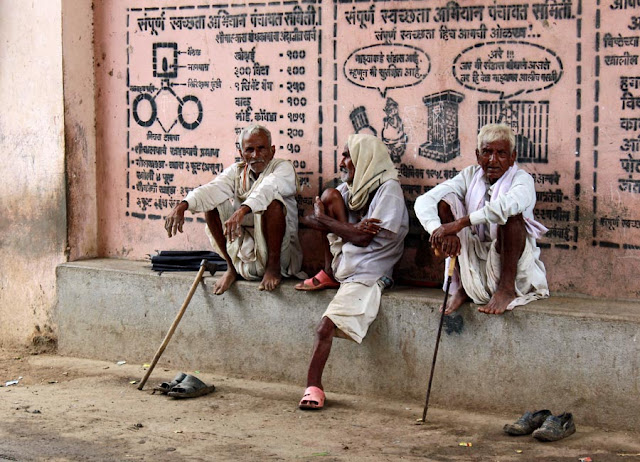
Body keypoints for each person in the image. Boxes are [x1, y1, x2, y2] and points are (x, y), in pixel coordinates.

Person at [296, 134, 408, 410]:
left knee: (325, 327)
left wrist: (328, 221)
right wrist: (343, 226)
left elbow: (363, 240)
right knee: (329, 195)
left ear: (366, 159)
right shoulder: (352, 188)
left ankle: (314, 387)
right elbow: (311, 219)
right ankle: (329, 272)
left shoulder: (388, 189)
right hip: (348, 262)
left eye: (349, 155)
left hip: (371, 271)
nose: (343, 161)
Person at [414, 123, 549, 315]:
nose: (493, 160)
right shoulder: (470, 175)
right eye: (487, 152)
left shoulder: (522, 179)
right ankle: (464, 287)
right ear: (478, 156)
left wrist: (459, 223)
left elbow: (507, 205)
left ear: (512, 157)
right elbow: (425, 200)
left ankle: (506, 289)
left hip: (509, 258)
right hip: (474, 256)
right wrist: (440, 230)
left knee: (510, 215)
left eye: (501, 153)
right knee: (446, 201)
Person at [164, 124, 304, 294]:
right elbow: (213, 188)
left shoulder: (283, 168)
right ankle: (231, 268)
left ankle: (272, 269)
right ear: (241, 153)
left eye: (261, 149)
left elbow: (267, 189)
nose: (256, 155)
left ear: (272, 151)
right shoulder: (237, 172)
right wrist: (183, 205)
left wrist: (242, 210)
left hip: (280, 255)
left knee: (273, 203)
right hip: (245, 250)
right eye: (249, 150)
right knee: (212, 203)